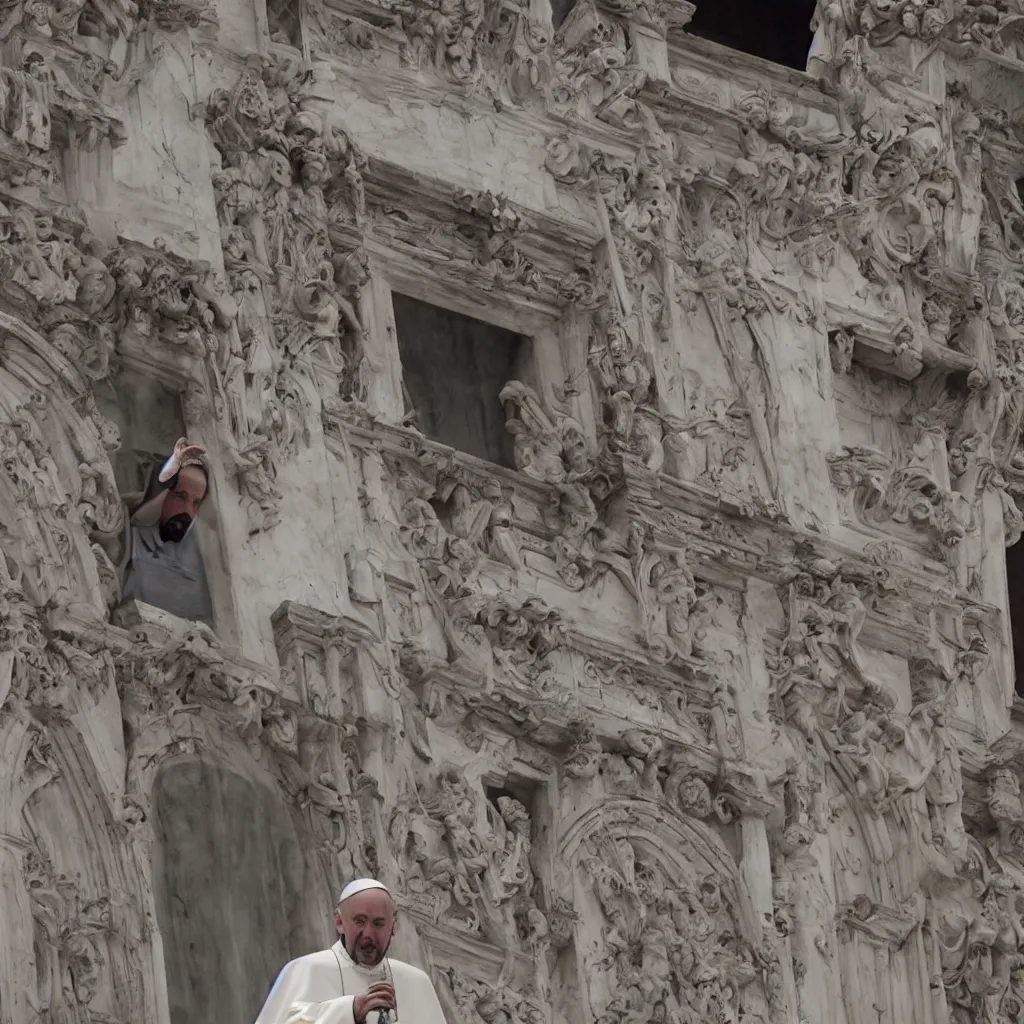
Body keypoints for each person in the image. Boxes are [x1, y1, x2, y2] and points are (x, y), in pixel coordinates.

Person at [255, 879, 449, 1024]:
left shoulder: (416, 981)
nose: (368, 934)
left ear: (394, 927)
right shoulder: (306, 970)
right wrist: (350, 1010)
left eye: (378, 924)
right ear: (340, 922)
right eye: (359, 921)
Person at [97, 436, 214, 625]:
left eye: (196, 503)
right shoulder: (126, 538)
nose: (187, 512)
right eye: (180, 497)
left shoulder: (193, 568)